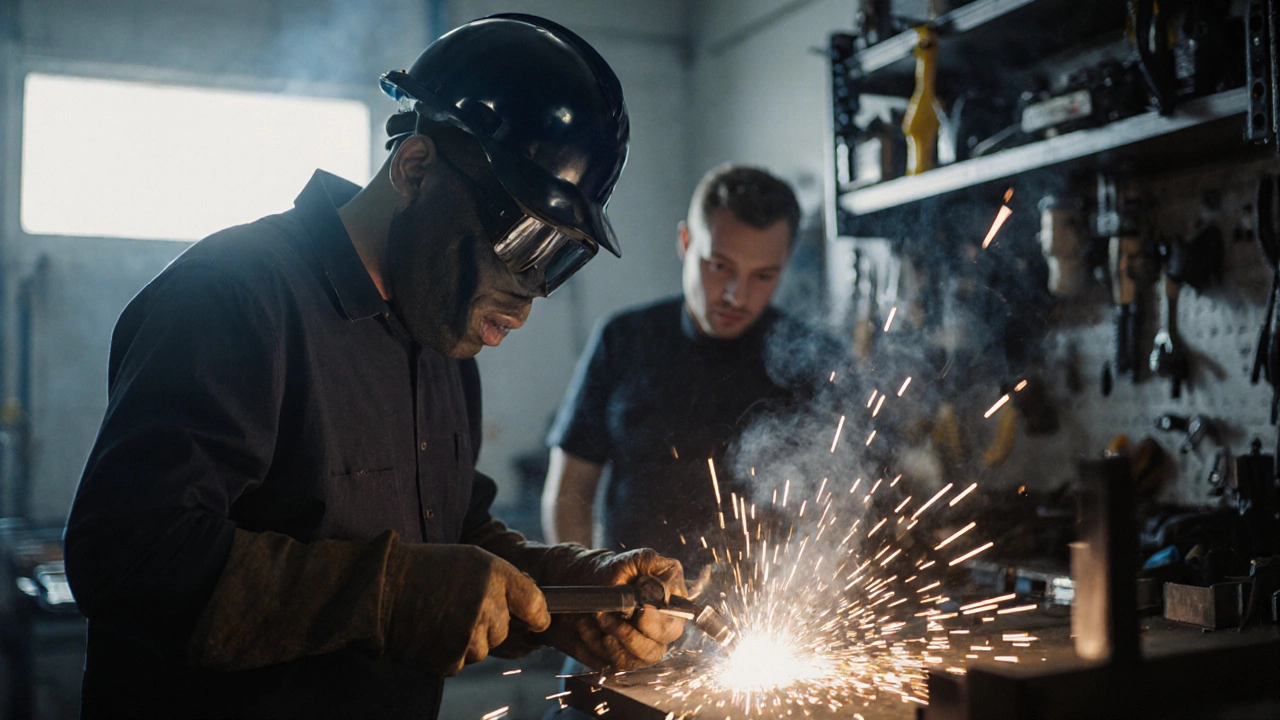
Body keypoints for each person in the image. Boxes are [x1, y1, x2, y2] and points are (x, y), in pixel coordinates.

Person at [62, 15, 686, 720]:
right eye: (521, 241)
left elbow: (450, 539)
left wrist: (576, 594)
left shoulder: (442, 341)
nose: (529, 294)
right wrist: (386, 593)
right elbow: (126, 556)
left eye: (559, 260)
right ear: (414, 168)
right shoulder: (234, 296)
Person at [542, 164, 847, 570]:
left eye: (763, 276)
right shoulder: (623, 339)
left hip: (764, 612)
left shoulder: (814, 359)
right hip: (631, 604)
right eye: (719, 266)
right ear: (686, 242)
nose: (737, 296)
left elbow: (841, 501)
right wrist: (586, 584)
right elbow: (570, 488)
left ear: (785, 262)